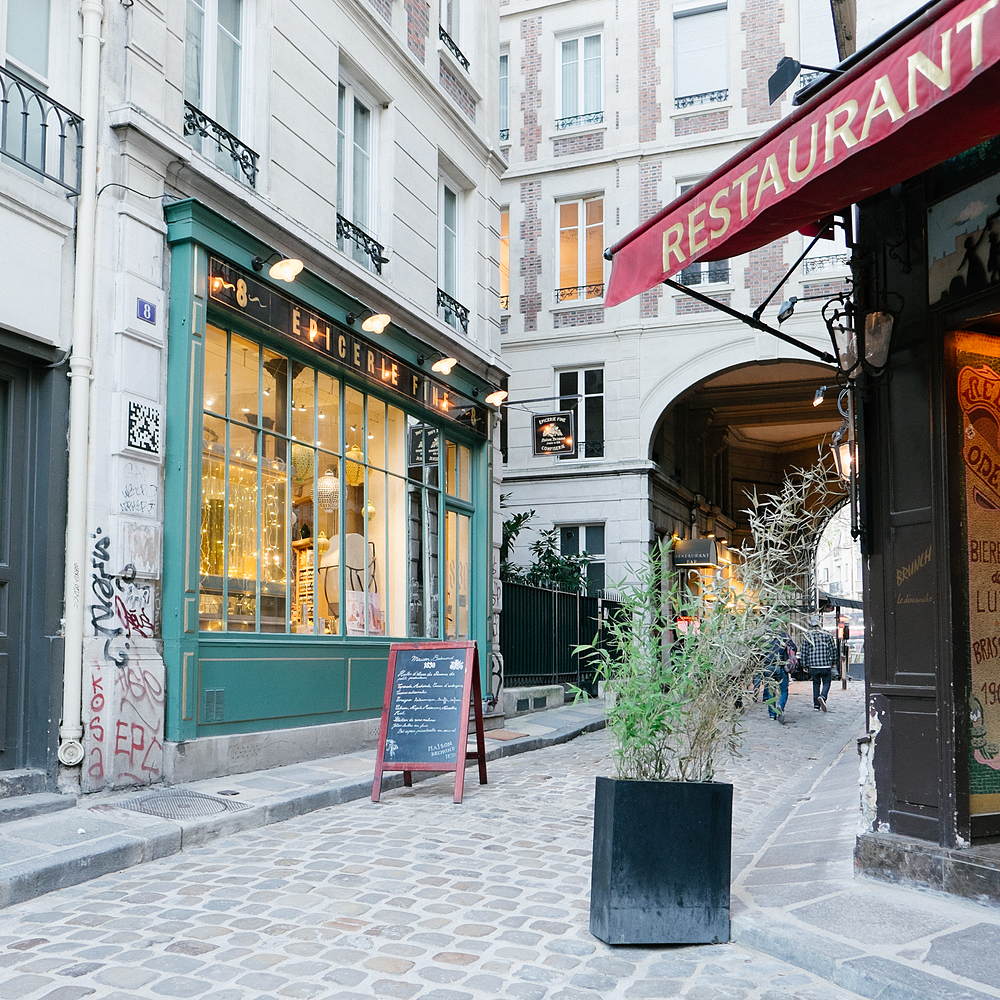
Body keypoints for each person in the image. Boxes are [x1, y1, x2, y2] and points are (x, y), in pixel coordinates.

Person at [800, 615, 837, 711]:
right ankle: (823, 696)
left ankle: (816, 705)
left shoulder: (808, 635)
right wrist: (834, 661)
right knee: (826, 682)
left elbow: (804, 651)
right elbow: (833, 649)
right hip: (825, 664)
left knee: (816, 683)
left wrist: (804, 664)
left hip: (813, 665)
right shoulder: (827, 634)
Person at [763, 629, 795, 723]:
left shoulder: (764, 637)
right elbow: (794, 648)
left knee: (770, 691)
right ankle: (780, 705)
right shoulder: (784, 636)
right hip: (780, 665)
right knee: (783, 689)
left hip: (768, 666)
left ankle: (772, 715)